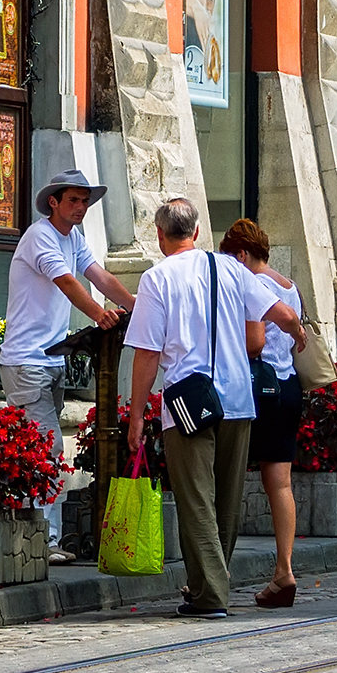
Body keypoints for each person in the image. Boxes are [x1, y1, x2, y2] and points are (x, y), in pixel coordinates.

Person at [120, 197, 265, 617]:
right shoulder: (232, 268)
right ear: (198, 232)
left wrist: (136, 417)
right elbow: (273, 313)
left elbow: (147, 353)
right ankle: (205, 586)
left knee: (196, 499)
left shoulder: (157, 278)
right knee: (226, 500)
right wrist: (295, 330)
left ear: (160, 236)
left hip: (187, 403)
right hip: (237, 398)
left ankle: (211, 595)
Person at [2, 168, 136, 564]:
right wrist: (99, 314)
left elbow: (99, 276)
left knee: (39, 449)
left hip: (51, 359)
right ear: (54, 203)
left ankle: (37, 532)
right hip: (27, 362)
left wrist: (136, 307)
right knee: (48, 448)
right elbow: (67, 282)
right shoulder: (40, 236)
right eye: (73, 200)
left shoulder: (74, 237)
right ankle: (45, 540)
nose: (81, 207)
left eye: (85, 201)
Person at [218, 219, 311, 609]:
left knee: (227, 481)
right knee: (281, 484)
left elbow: (254, 343)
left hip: (256, 389)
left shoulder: (250, 284)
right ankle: (284, 570)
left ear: (241, 255)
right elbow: (292, 331)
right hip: (288, 387)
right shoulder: (290, 286)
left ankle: (214, 572)